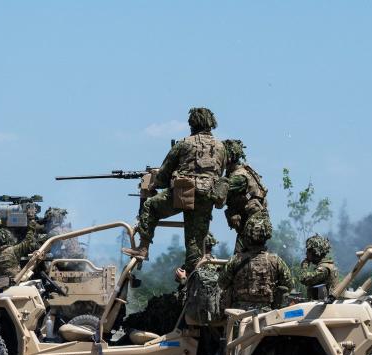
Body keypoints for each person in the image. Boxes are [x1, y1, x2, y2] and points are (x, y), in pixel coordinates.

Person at [123, 107, 227, 273]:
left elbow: (163, 177)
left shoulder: (184, 144)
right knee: (194, 244)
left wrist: (153, 183)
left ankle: (143, 248)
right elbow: (219, 173)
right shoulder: (221, 147)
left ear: (192, 123)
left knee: (150, 206)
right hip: (207, 197)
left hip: (182, 195)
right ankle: (192, 280)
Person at [218, 219, 295, 311]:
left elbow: (222, 283)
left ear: (247, 236)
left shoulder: (235, 260)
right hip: (265, 315)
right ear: (266, 236)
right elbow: (289, 285)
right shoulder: (276, 261)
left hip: (239, 315)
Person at [222, 139, 272, 253]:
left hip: (252, 226)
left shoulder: (238, 177)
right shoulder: (242, 172)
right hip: (251, 224)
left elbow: (217, 192)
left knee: (239, 260)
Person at [299, 234, 339, 299]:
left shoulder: (324, 268)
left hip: (326, 307)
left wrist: (304, 265)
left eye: (309, 250)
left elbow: (305, 279)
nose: (306, 253)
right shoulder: (328, 265)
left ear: (315, 252)